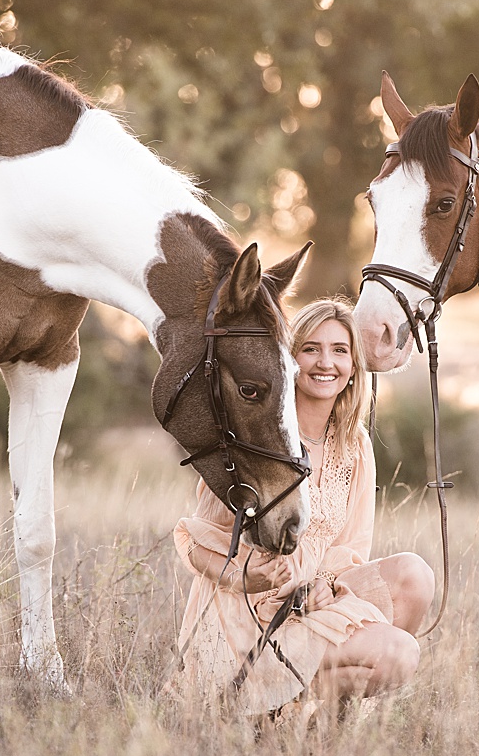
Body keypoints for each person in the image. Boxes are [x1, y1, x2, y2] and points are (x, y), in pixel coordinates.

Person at [172, 297, 435, 715]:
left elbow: (351, 549)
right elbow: (193, 542)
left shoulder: (354, 445)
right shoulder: (256, 435)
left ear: (353, 367)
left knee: (414, 575)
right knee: (399, 653)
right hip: (248, 617)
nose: (325, 362)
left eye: (339, 350)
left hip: (311, 603)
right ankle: (252, 701)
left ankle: (302, 715)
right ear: (289, 360)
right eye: (311, 348)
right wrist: (245, 577)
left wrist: (322, 585)